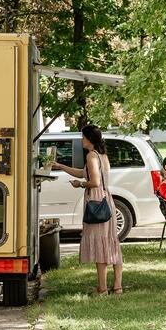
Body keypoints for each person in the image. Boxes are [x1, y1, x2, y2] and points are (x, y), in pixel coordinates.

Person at [52, 125, 123, 295]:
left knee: (100, 243)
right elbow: (83, 173)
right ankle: (117, 287)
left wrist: (80, 185)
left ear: (89, 139)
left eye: (83, 137)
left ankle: (102, 288)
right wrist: (61, 166)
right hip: (107, 200)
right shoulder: (102, 156)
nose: (81, 140)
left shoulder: (92, 155)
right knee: (111, 242)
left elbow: (94, 182)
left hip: (96, 202)